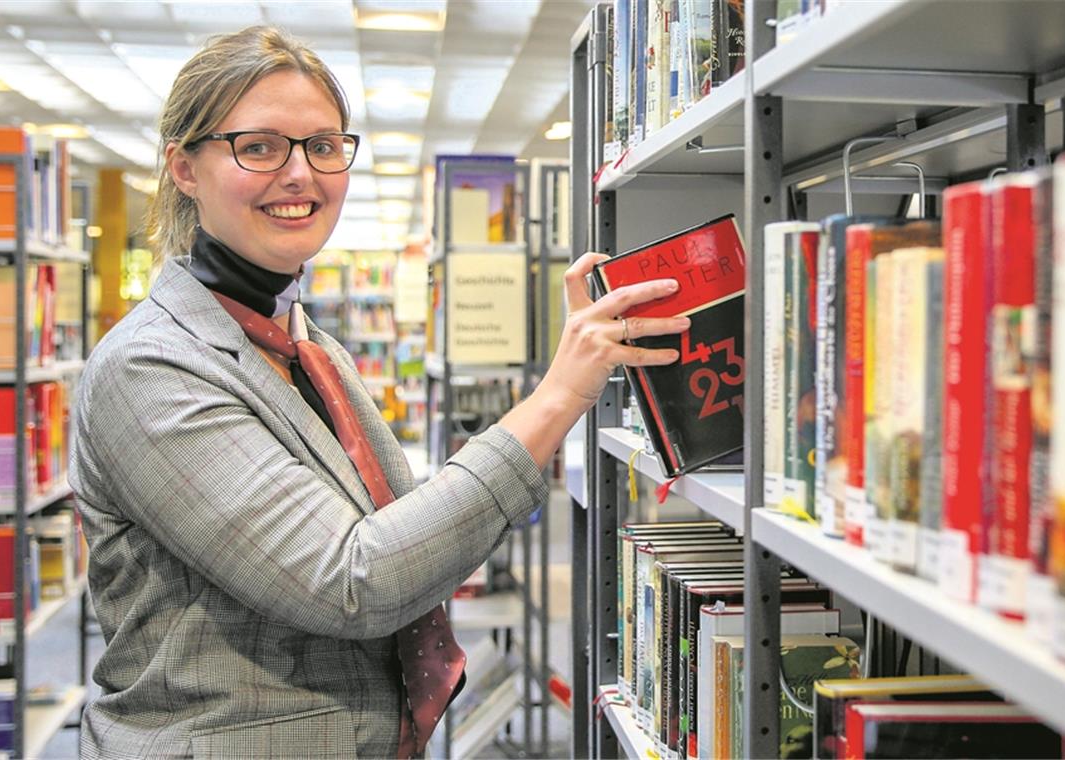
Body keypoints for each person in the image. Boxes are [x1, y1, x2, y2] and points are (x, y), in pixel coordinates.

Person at [69, 25, 689, 759]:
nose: (301, 174)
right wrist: (554, 397)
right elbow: (350, 580)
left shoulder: (302, 343)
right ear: (185, 167)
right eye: (259, 147)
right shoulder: (149, 367)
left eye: (324, 146)